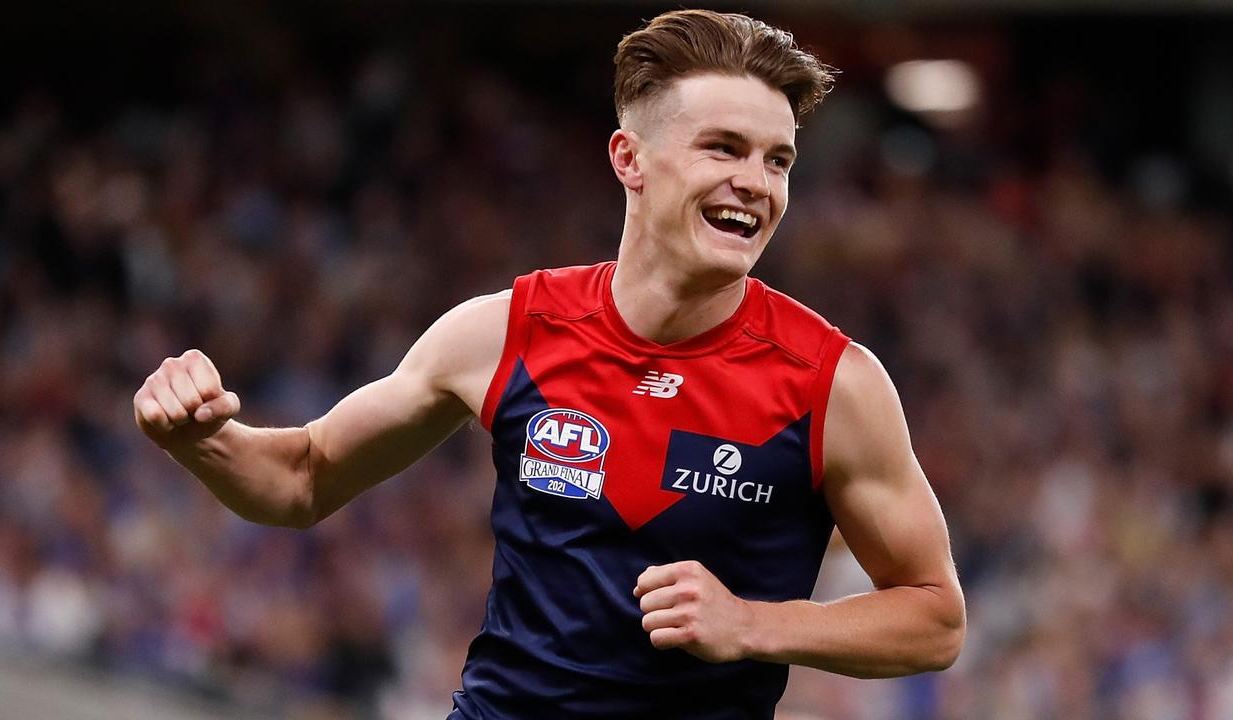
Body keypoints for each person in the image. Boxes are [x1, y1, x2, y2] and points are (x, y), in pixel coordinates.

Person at [133, 9, 965, 718]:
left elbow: (934, 618)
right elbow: (303, 477)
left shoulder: (831, 381)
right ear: (629, 160)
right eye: (723, 149)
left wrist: (755, 625)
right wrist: (201, 438)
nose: (756, 183)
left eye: (777, 160)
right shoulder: (504, 332)